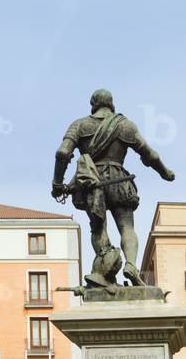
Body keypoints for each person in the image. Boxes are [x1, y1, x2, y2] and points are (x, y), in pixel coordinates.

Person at [52, 89, 176, 288]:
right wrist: (165, 172)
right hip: (118, 180)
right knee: (127, 227)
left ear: (93, 103)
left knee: (98, 227)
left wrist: (57, 184)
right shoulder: (125, 125)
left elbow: (62, 153)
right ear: (112, 104)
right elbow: (149, 155)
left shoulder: (79, 125)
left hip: (91, 183)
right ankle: (130, 265)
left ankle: (106, 270)